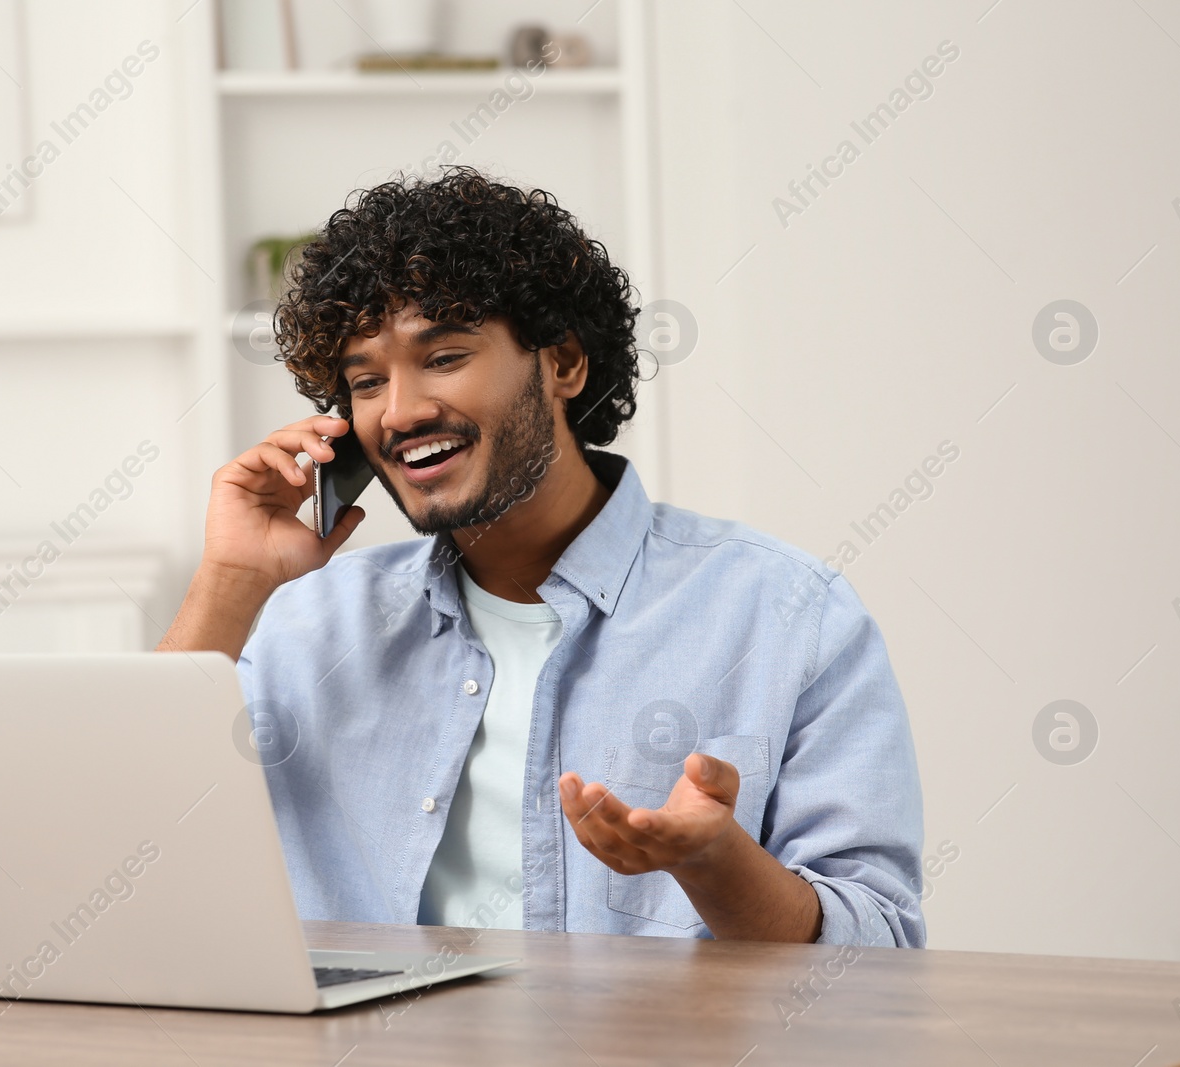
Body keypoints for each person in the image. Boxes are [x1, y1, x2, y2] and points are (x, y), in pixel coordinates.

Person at [160, 167, 924, 946]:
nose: (399, 411)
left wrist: (716, 864)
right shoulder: (308, 622)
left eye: (444, 356)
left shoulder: (787, 612)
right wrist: (231, 579)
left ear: (562, 363)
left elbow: (881, 947)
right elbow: (130, 845)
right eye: (365, 381)